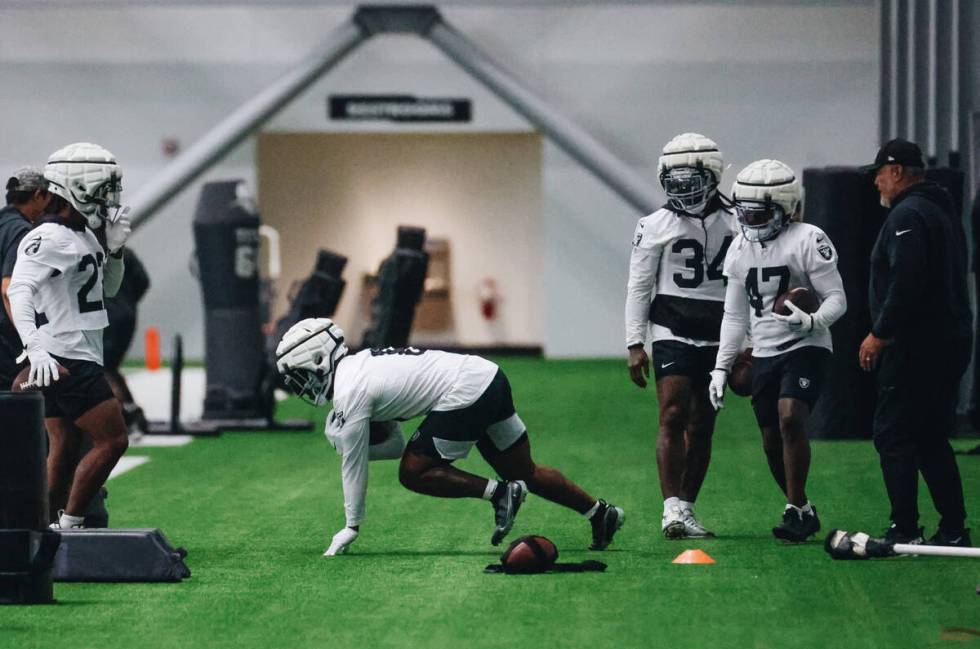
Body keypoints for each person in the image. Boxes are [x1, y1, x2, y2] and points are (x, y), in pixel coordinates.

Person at [275, 317, 625, 556]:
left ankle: (501, 494)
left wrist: (352, 525)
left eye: (301, 374)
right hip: (488, 377)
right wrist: (353, 445)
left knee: (414, 472)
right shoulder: (362, 365)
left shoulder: (349, 391)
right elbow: (395, 444)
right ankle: (600, 513)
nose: (300, 385)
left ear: (320, 361)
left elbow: (353, 469)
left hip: (466, 390)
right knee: (524, 471)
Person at [708, 159, 847, 542]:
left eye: (759, 213)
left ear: (785, 209)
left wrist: (812, 321)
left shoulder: (807, 238)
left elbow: (837, 299)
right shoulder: (739, 248)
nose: (750, 221)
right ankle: (800, 509)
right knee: (770, 434)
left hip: (806, 344)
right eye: (745, 213)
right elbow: (734, 316)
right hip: (763, 349)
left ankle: (794, 505)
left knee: (789, 416)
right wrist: (721, 368)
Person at [7, 142, 132, 529]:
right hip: (66, 354)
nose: (108, 197)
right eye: (102, 187)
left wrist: (116, 251)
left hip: (78, 352)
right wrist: (34, 348)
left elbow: (108, 290)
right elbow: (18, 289)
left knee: (64, 445)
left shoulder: (83, 234)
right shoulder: (48, 236)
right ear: (74, 186)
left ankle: (41, 529)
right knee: (113, 441)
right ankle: (72, 523)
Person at [859, 138, 972, 546]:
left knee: (893, 433)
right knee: (928, 435)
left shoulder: (909, 215)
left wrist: (880, 333)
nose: (876, 184)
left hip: (917, 345)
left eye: (879, 175)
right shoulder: (940, 209)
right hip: (949, 339)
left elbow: (907, 282)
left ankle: (904, 527)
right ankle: (954, 528)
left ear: (897, 171)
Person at [625, 133, 735, 538]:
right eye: (675, 179)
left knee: (702, 423)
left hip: (722, 331)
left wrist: (753, 341)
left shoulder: (738, 219)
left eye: (690, 179)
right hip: (672, 326)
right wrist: (635, 342)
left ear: (713, 176)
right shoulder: (652, 225)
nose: (682, 187)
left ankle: (687, 507)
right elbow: (639, 285)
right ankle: (670, 508)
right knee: (672, 412)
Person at [0, 167, 50, 390]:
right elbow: (8, 289)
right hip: (7, 342)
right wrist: (31, 342)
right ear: (38, 195)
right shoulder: (21, 232)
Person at [103, 248, 150, 438]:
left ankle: (125, 417)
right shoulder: (125, 252)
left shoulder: (88, 247)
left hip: (106, 315)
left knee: (102, 367)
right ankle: (131, 411)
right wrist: (128, 301)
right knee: (110, 367)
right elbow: (143, 282)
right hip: (126, 314)